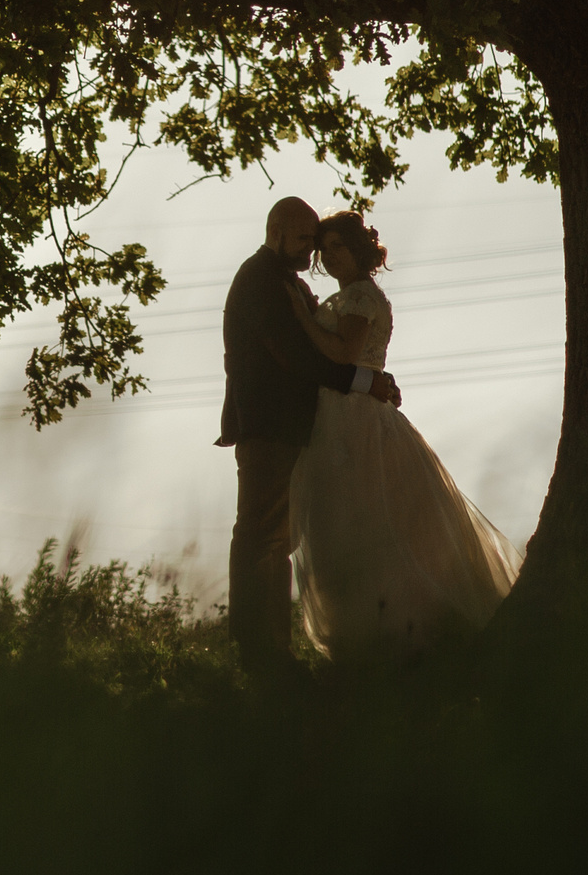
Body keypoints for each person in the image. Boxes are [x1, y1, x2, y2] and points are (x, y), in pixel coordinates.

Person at [284, 212, 521, 660]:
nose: (329, 255)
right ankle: (365, 633)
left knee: (372, 520)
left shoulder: (360, 297)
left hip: (355, 419)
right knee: (343, 523)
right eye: (325, 248)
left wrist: (300, 316)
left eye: (338, 246)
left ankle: (396, 633)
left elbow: (343, 352)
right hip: (339, 412)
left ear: (359, 251)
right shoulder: (348, 297)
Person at [218, 198, 401, 677]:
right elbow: (295, 358)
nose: (312, 251)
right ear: (277, 232)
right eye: (304, 240)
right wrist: (366, 383)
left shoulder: (289, 283)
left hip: (293, 428)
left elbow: (330, 348)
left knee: (273, 539)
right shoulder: (260, 280)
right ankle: (260, 653)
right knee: (262, 537)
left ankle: (269, 650)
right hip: (267, 425)